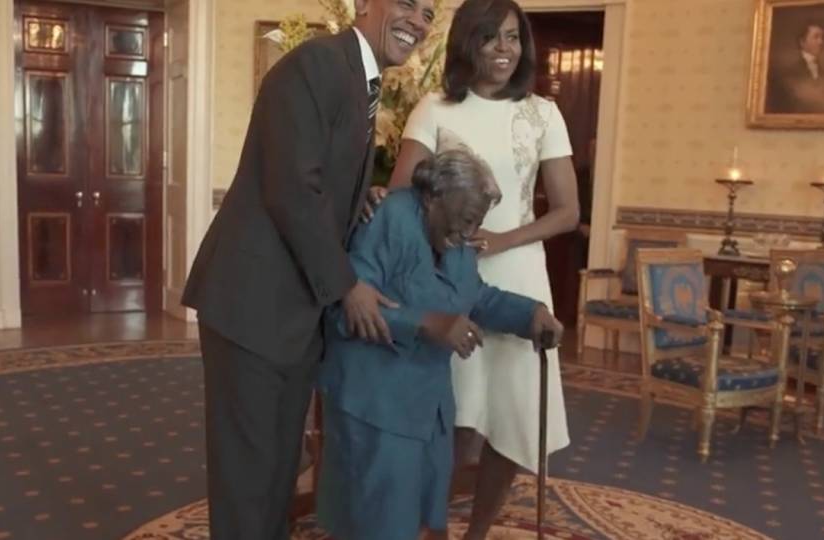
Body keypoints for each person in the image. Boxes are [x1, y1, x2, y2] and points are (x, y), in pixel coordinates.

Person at [180, 0, 436, 537]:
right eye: (408, 4)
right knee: (248, 479)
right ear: (366, 4)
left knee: (277, 473)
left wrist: (357, 196)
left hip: (293, 314)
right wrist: (347, 286)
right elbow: (292, 189)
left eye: (430, 13)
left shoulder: (362, 83)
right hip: (251, 305)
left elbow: (315, 177)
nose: (419, 20)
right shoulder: (317, 64)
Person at [389, 0, 580, 537]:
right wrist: (442, 242)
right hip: (450, 275)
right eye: (492, 36)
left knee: (513, 419)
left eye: (514, 37)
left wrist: (502, 240)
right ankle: (432, 527)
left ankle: (476, 533)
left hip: (520, 272)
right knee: (455, 416)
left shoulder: (543, 113)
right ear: (467, 41)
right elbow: (403, 196)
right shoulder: (435, 108)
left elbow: (568, 212)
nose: (504, 49)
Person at [318, 147, 564, 540]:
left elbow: (475, 295)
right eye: (467, 220)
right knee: (378, 522)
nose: (470, 234)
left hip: (426, 404)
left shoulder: (455, 241)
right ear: (433, 198)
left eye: (478, 223)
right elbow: (345, 311)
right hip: (374, 398)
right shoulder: (388, 218)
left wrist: (529, 313)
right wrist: (423, 323)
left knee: (422, 514)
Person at [766, 21, 824, 114]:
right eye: (816, 37)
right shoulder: (788, 73)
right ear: (802, 42)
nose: (821, 42)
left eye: (822, 37)